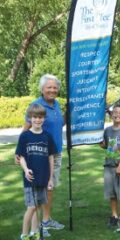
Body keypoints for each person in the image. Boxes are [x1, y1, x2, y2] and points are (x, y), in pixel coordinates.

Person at [16, 74, 65, 236]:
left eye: (55, 87)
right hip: (39, 155)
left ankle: (45, 220)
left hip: (54, 153)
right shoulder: (36, 106)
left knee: (50, 187)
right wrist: (19, 153)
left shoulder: (57, 104)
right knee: (42, 190)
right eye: (49, 87)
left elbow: (58, 123)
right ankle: (42, 223)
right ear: (42, 89)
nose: (52, 90)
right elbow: (26, 129)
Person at [16, 104, 55, 240]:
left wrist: (50, 179)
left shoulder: (47, 137)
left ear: (44, 118)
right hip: (30, 179)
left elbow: (51, 158)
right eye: (35, 117)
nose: (37, 120)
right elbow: (21, 157)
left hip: (43, 178)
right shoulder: (25, 136)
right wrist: (26, 170)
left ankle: (35, 232)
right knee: (31, 207)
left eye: (40, 117)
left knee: (38, 206)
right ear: (30, 118)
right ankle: (24, 235)